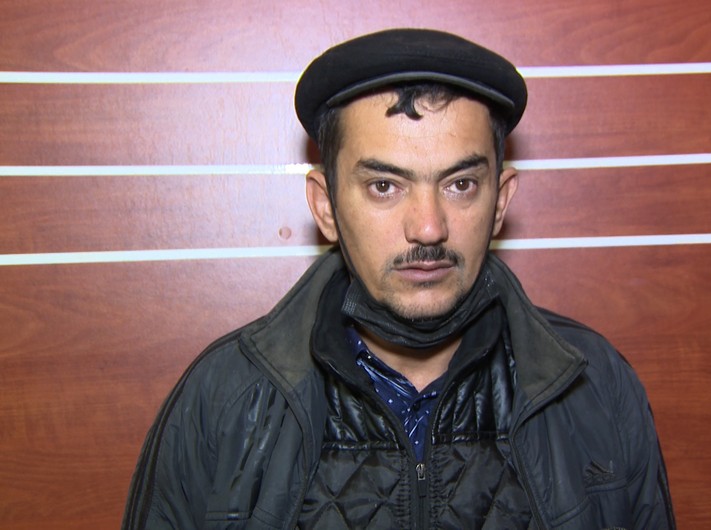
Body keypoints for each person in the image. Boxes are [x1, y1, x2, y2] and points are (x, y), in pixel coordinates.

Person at [122, 28, 675, 529]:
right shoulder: (224, 399)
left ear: (501, 201)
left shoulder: (595, 387)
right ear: (325, 206)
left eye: (460, 184)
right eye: (384, 186)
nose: (429, 227)